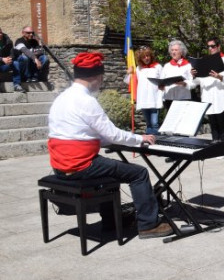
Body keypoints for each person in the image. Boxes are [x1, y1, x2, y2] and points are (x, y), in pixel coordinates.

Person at [47, 52, 172, 239]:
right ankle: (148, 225)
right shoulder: (87, 101)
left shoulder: (62, 98)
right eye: (101, 77)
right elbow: (112, 134)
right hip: (80, 165)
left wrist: (112, 140)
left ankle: (112, 222)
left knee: (109, 175)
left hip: (59, 164)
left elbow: (80, 134)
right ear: (96, 77)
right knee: (139, 173)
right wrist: (140, 138)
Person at [190, 37, 224, 144]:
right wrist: (194, 76)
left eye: (213, 46)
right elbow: (196, 82)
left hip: (220, 96)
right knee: (212, 122)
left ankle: (222, 146)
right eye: (209, 47)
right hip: (208, 96)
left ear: (218, 46)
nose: (211, 49)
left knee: (221, 122)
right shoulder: (204, 61)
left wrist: (219, 77)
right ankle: (214, 144)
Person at [125, 46, 163, 134]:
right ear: (140, 58)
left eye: (148, 56)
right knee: (148, 123)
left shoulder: (157, 67)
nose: (146, 58)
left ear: (151, 56)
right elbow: (129, 82)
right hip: (143, 99)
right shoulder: (138, 69)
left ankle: (157, 142)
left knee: (154, 123)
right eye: (144, 57)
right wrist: (129, 73)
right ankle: (149, 142)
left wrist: (162, 93)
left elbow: (163, 81)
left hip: (154, 99)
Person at [161, 40, 193, 110]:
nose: (173, 52)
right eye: (172, 50)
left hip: (182, 97)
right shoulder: (166, 66)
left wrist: (184, 83)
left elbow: (192, 82)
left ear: (181, 52)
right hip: (169, 98)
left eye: (176, 50)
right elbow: (162, 80)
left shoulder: (188, 65)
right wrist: (161, 86)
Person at [0, 27, 23, 92]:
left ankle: (17, 85)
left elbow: (12, 53)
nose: (0, 35)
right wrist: (2, 59)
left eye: (1, 33)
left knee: (15, 63)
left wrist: (9, 58)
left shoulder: (8, 41)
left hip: (5, 65)